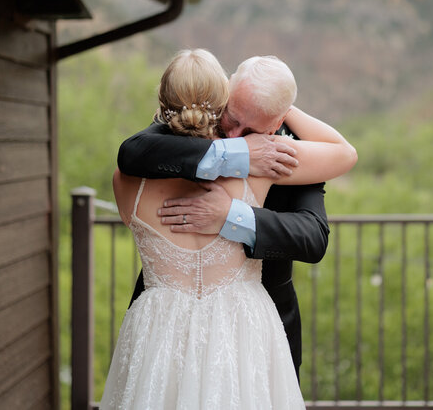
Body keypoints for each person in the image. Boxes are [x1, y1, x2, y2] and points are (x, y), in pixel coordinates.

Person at [100, 50, 357, 409]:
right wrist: (237, 154)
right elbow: (131, 151)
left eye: (250, 129)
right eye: (230, 118)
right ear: (222, 96)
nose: (235, 135)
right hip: (193, 333)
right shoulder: (236, 161)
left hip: (244, 335)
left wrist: (232, 215)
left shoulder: (277, 151)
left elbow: (313, 236)